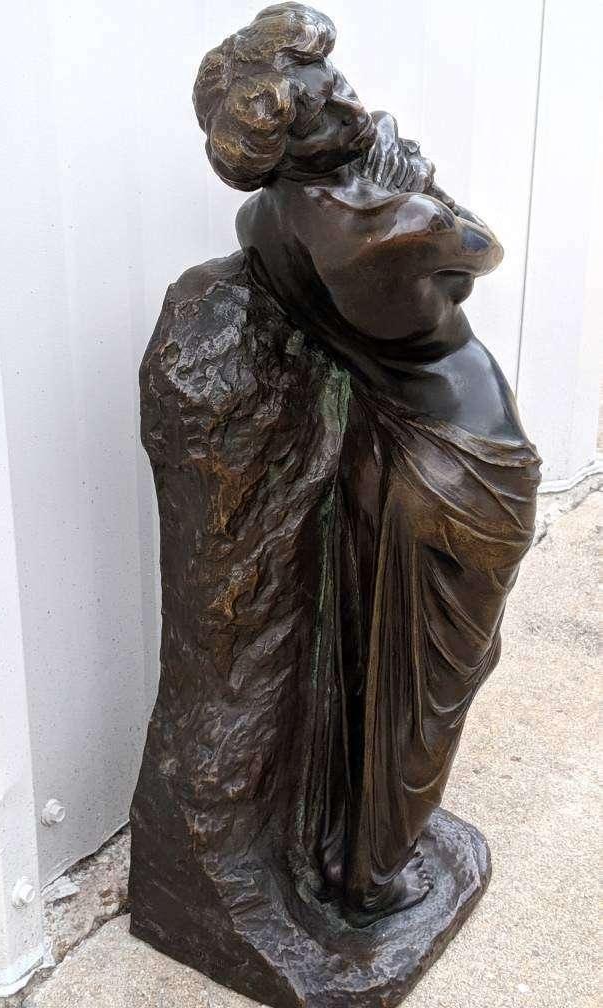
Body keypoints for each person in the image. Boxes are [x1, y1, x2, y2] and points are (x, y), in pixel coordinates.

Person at [193, 1, 540, 925]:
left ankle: (349, 843)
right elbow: (481, 252)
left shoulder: (264, 224)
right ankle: (374, 875)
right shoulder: (394, 225)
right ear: (284, 143)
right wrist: (410, 173)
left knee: (375, 667)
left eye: (338, 83)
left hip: (378, 448)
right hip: (471, 464)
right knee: (429, 686)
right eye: (321, 110)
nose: (351, 105)